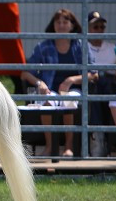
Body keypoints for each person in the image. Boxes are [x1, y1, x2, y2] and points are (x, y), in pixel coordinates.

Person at [19, 9, 85, 158]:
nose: (61, 25)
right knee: (47, 102)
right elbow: (25, 72)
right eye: (58, 22)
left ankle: (69, 146)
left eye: (65, 22)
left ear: (72, 25)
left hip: (73, 91)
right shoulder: (43, 46)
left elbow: (93, 74)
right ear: (53, 25)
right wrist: (39, 82)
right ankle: (50, 146)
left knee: (68, 101)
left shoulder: (80, 46)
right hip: (51, 90)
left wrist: (71, 80)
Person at [86, 11, 116, 157]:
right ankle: (98, 137)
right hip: (91, 85)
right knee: (95, 90)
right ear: (88, 29)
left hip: (111, 85)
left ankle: (100, 136)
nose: (99, 30)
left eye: (101, 27)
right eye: (95, 27)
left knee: (104, 87)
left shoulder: (112, 48)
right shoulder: (83, 46)